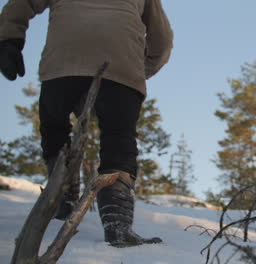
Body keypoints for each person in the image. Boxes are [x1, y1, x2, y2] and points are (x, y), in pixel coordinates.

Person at [0, 0, 173, 247]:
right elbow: (162, 40)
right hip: (121, 62)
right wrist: (137, 70)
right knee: (118, 140)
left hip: (63, 63)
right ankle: (117, 225)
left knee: (54, 128)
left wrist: (9, 40)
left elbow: (22, 3)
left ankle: (62, 196)